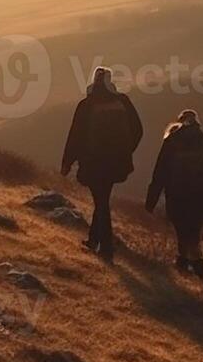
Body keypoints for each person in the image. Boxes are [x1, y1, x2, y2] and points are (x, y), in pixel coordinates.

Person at [61, 67, 143, 261]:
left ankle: (105, 248)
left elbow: (75, 136)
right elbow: (138, 130)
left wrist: (67, 163)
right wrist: (126, 151)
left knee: (101, 201)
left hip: (93, 162)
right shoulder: (122, 101)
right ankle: (94, 240)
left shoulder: (86, 105)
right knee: (102, 199)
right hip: (116, 163)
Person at [145, 109, 203, 277]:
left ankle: (183, 265)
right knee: (194, 232)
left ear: (180, 121)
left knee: (182, 231)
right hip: (201, 196)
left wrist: (151, 201)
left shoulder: (171, 141)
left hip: (177, 195)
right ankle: (198, 270)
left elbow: (160, 172)